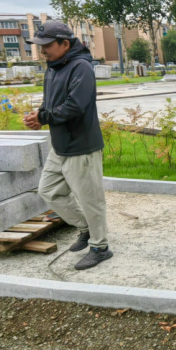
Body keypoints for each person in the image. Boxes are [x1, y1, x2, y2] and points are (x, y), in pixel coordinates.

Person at [22, 20, 112, 270]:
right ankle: (86, 229)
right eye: (40, 45)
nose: (42, 50)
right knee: (49, 190)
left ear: (65, 44)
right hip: (60, 145)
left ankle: (100, 247)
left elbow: (75, 106)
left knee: (91, 200)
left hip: (81, 146)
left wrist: (44, 117)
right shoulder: (54, 67)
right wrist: (39, 115)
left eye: (47, 45)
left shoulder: (81, 67)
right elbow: (50, 101)